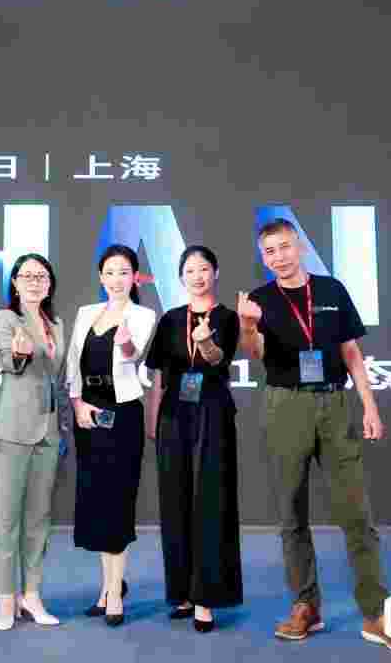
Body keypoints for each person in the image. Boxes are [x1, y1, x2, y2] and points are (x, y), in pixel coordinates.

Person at [237, 218, 391, 656]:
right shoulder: (259, 300)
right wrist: (247, 325)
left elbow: (351, 353)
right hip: (285, 406)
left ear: (299, 247)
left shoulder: (332, 290)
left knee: (357, 513)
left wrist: (370, 406)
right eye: (270, 252)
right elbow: (255, 353)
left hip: (335, 404)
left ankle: (376, 613)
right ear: (263, 257)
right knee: (291, 514)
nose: (279, 257)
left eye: (285, 247)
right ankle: (306, 606)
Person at [145, 245, 243, 634]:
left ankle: (206, 597)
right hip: (173, 414)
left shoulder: (228, 317)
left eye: (204, 269)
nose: (197, 276)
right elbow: (158, 375)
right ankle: (183, 592)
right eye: (190, 270)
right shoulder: (170, 319)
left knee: (210, 500)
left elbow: (218, 358)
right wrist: (153, 421)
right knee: (175, 501)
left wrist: (204, 342)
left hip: (212, 411)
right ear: (181, 277)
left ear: (215, 273)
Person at [65, 244, 157, 627]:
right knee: (98, 501)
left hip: (122, 416)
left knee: (118, 501)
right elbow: (73, 365)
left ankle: (115, 592)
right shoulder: (86, 313)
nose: (117, 279)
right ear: (100, 277)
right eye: (110, 272)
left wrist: (125, 342)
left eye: (124, 272)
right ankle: (107, 587)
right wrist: (77, 405)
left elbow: (134, 356)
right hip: (89, 416)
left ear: (134, 277)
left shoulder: (143, 315)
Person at [0, 253, 68, 630]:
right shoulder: (6, 318)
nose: (35, 281)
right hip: (12, 430)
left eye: (41, 276)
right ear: (15, 284)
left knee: (39, 519)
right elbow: (8, 360)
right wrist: (18, 355)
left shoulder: (57, 324)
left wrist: (63, 425)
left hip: (48, 431)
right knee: (7, 518)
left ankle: (31, 595)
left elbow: (58, 377)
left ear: (49, 284)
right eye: (27, 276)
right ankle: (6, 597)